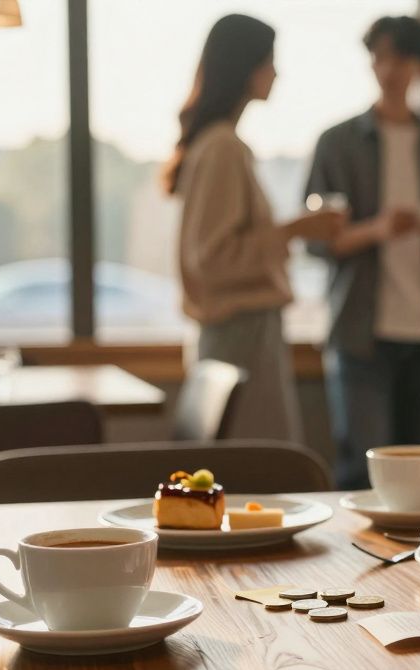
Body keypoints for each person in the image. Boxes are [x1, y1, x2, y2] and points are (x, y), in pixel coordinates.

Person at [303, 16, 420, 490]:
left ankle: (416, 566)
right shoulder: (337, 143)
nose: (388, 68)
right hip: (360, 333)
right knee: (360, 472)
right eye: (379, 57)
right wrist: (379, 229)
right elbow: (317, 241)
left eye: (399, 57)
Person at [164, 14, 344, 442]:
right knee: (258, 475)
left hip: (238, 335)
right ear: (245, 67)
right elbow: (211, 259)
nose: (276, 73)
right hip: (240, 337)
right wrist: (294, 230)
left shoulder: (216, 143)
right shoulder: (223, 147)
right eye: (269, 61)